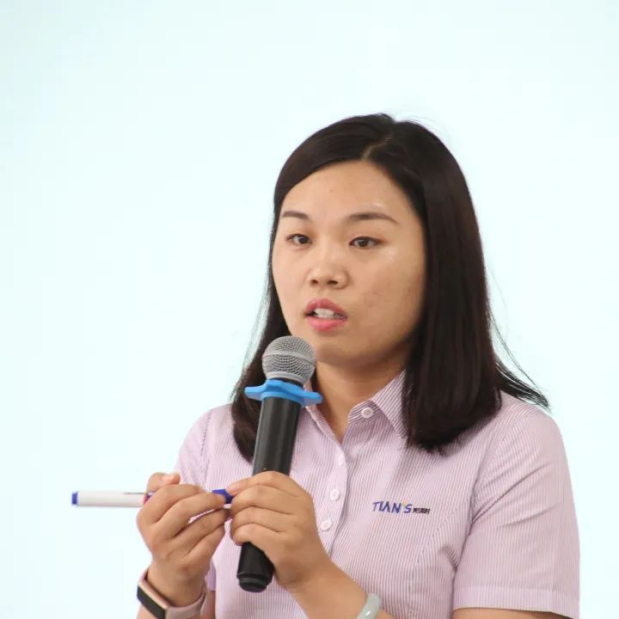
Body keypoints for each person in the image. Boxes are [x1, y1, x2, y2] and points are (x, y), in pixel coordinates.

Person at [135, 113, 580, 619]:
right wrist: (173, 583)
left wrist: (313, 577)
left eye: (363, 241)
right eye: (300, 238)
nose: (322, 271)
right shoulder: (215, 441)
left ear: (440, 261)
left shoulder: (511, 446)